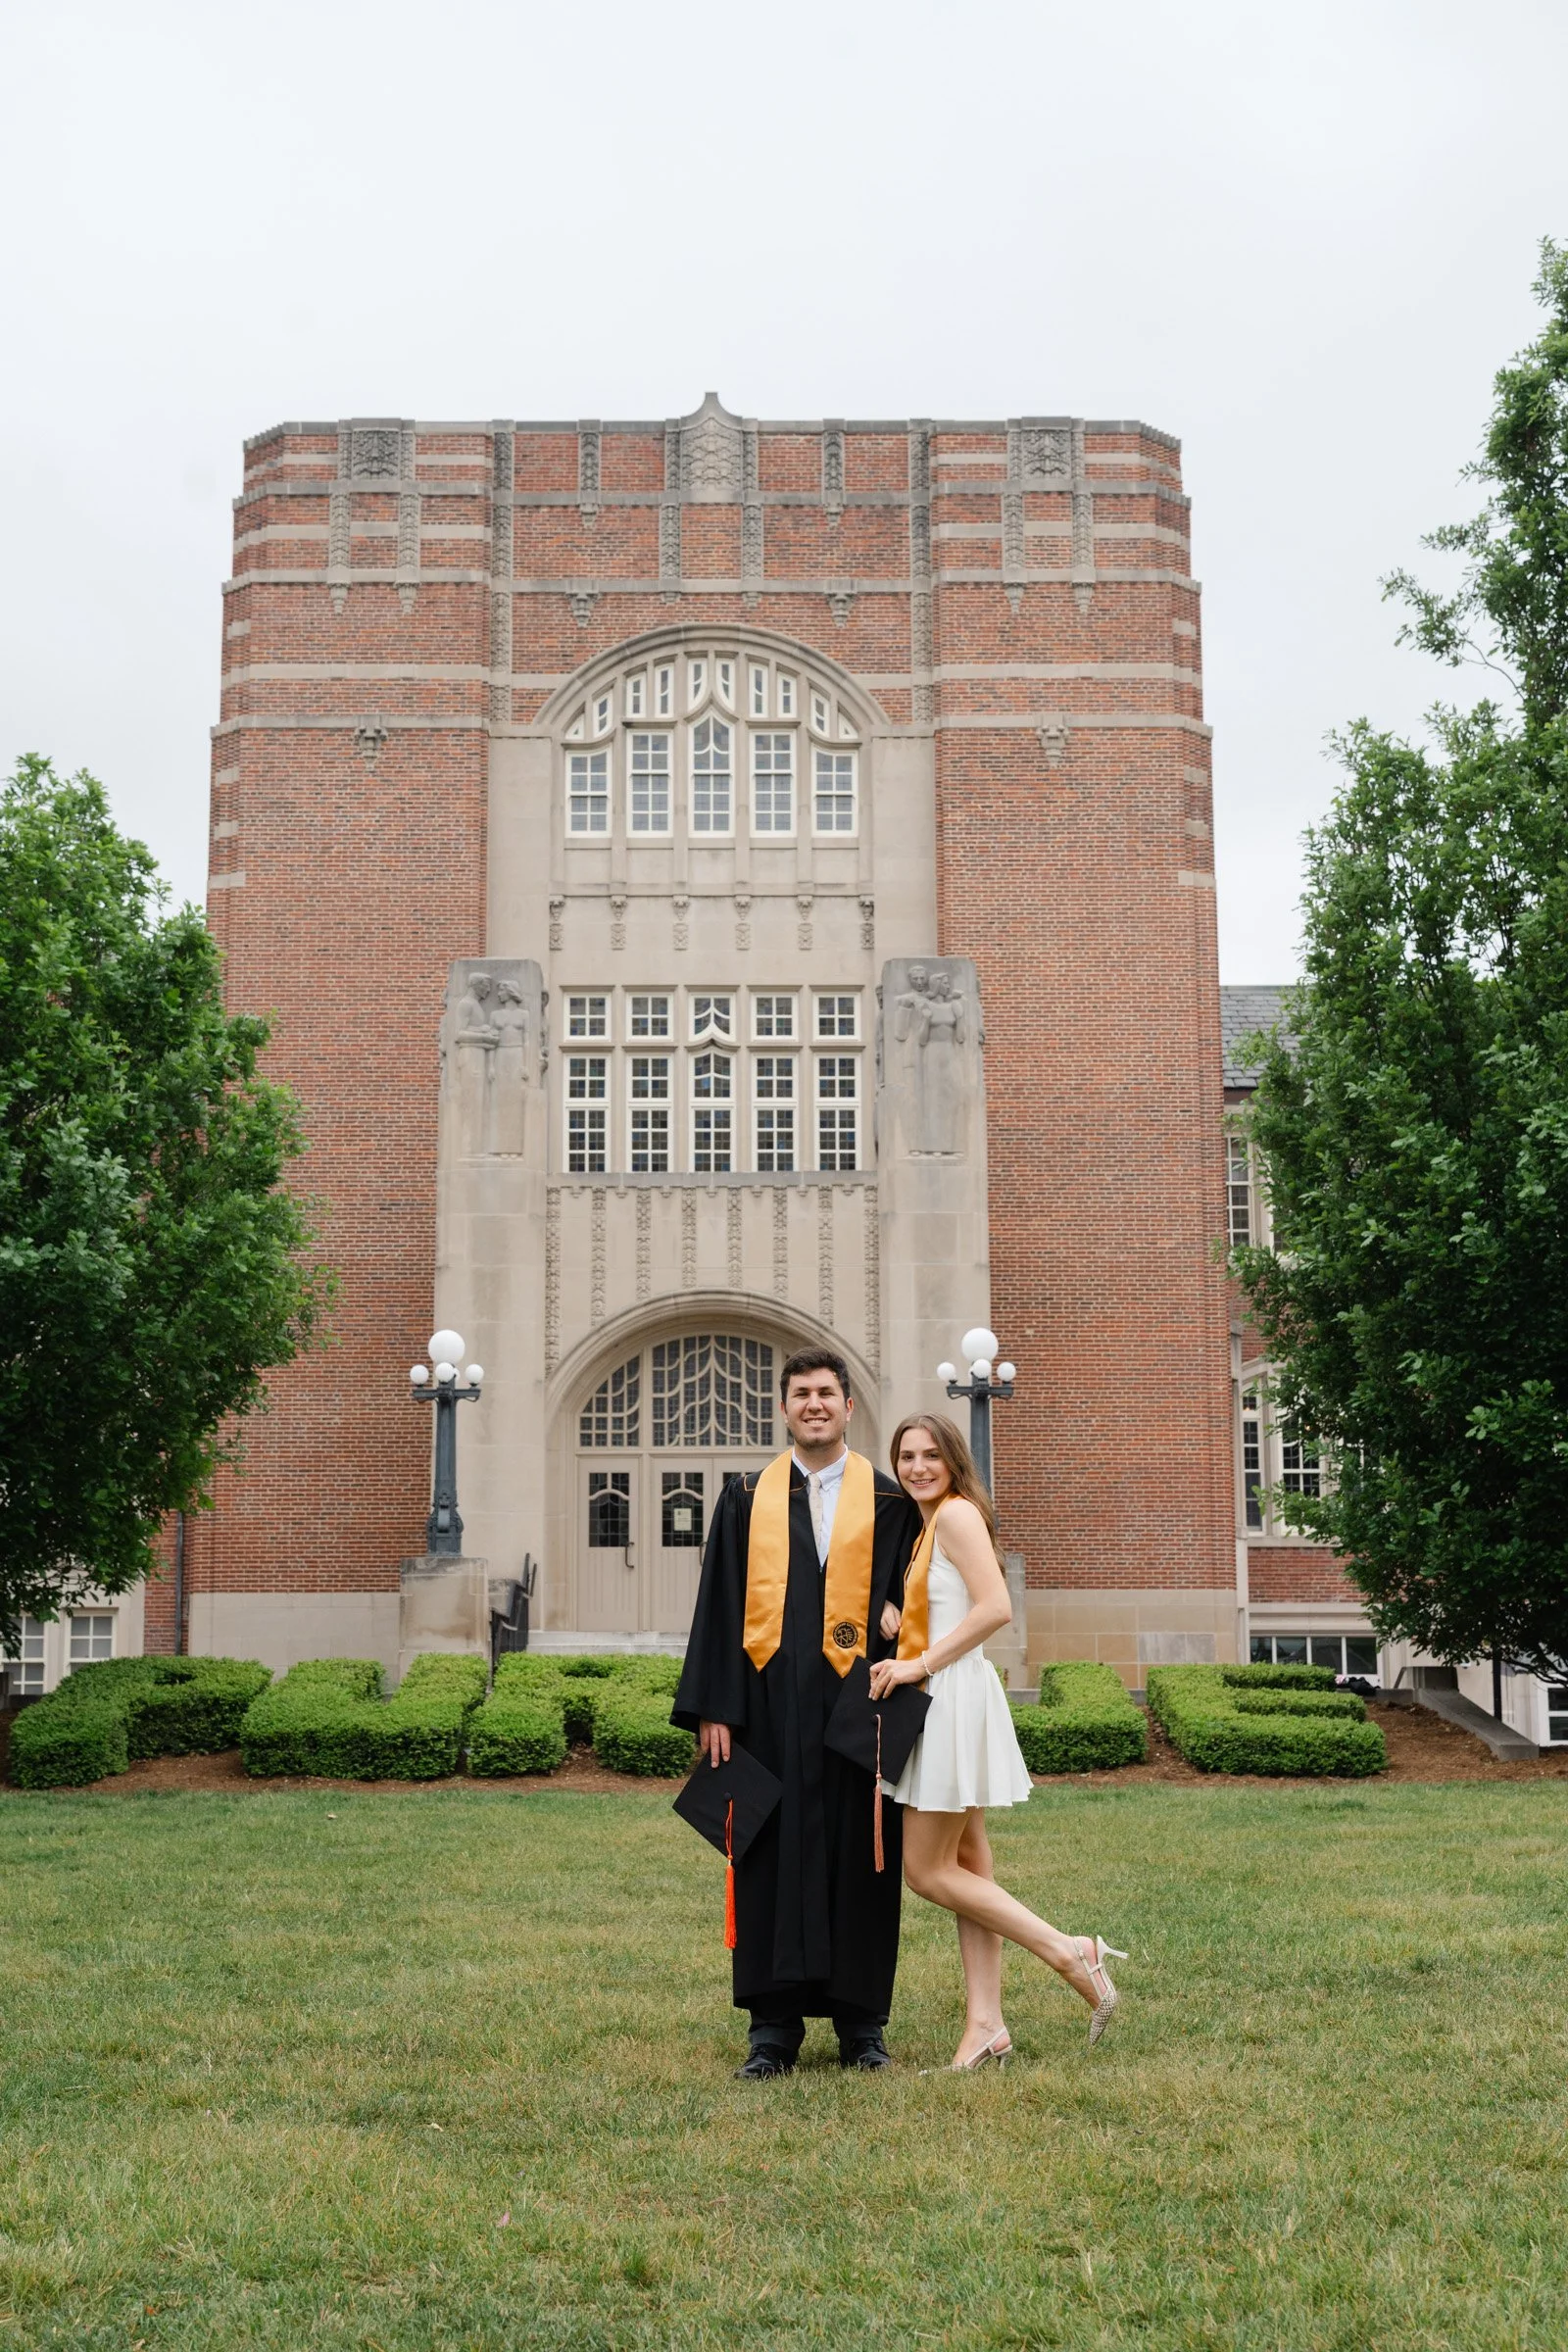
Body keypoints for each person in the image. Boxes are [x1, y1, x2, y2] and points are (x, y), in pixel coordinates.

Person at [672, 1348, 923, 2078]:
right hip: (767, 1709)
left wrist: (894, 1613)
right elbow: (718, 1604)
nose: (814, 1405)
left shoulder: (888, 1501)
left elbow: (925, 1593)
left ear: (849, 1407)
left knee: (864, 1857)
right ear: (783, 1409)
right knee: (766, 1856)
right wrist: (714, 1709)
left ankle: (862, 2027)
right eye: (801, 1395)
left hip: (858, 1707)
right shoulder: (746, 1497)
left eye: (826, 1394)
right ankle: (772, 2030)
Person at [870, 1414, 1126, 2066]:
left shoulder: (953, 1516)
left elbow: (995, 1608)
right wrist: (899, 1622)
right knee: (973, 1864)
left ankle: (1071, 1951)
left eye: (931, 1455)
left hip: (947, 1697)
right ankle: (986, 2025)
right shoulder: (931, 1525)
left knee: (926, 1871)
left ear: (954, 1461)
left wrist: (915, 1665)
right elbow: (951, 1606)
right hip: (951, 1693)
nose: (918, 1467)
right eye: (907, 1457)